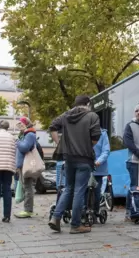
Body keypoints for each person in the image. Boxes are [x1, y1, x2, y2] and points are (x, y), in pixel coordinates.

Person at [48, 95, 101, 234]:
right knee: (79, 190)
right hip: (84, 158)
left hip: (69, 158)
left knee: (68, 188)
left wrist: (59, 143)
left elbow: (52, 126)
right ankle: (75, 225)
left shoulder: (66, 116)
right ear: (88, 103)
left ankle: (56, 217)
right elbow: (95, 137)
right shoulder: (92, 116)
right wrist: (87, 145)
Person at [14, 117, 37, 219]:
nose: (19, 127)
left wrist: (17, 141)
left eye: (20, 125)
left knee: (28, 187)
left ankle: (28, 210)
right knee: (26, 187)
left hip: (27, 165)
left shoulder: (30, 134)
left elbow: (24, 147)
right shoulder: (26, 134)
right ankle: (27, 209)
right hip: (23, 165)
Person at [84, 128, 110, 216]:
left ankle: (95, 211)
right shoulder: (83, 131)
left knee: (96, 190)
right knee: (84, 189)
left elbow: (106, 150)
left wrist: (99, 161)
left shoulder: (103, 133)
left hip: (98, 167)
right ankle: (83, 210)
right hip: (85, 166)